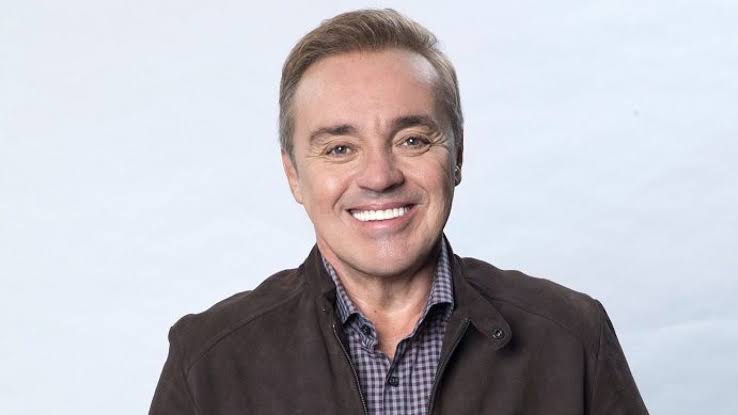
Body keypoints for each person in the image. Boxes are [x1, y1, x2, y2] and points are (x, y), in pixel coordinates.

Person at [149, 8, 648, 415]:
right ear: (293, 175)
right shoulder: (208, 362)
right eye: (340, 148)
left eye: (411, 140)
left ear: (457, 155)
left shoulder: (571, 338)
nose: (379, 176)